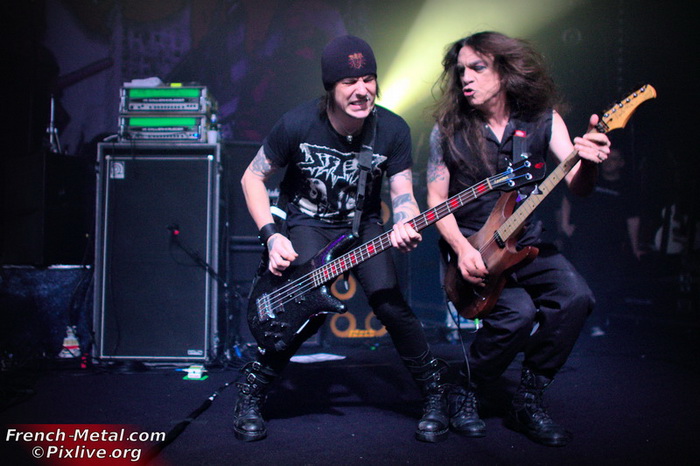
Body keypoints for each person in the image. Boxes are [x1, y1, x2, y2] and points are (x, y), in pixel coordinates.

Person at [237, 35, 450, 443]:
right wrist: (272, 236)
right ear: (330, 88)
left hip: (362, 226)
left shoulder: (392, 129)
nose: (362, 90)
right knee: (300, 311)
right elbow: (252, 177)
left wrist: (405, 221)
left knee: (391, 306)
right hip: (309, 223)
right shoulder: (298, 123)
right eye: (350, 81)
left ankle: (435, 394)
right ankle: (252, 391)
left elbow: (403, 194)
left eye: (369, 79)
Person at [426, 31, 611, 447]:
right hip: (474, 250)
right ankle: (466, 388)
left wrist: (590, 161)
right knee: (517, 315)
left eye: (478, 68)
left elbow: (579, 186)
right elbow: (436, 201)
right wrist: (461, 249)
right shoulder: (449, 130)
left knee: (575, 298)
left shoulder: (544, 120)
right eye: (461, 71)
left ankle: (528, 399)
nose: (466, 78)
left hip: (526, 243)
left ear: (505, 71)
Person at [560, 147, 643, 337]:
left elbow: (633, 220)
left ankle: (599, 319)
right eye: (608, 158)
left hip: (612, 244)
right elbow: (568, 198)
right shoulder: (592, 179)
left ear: (621, 163)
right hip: (584, 240)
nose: (609, 162)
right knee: (582, 280)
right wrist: (565, 225)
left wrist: (635, 246)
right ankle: (581, 323)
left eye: (615, 159)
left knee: (608, 284)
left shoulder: (627, 188)